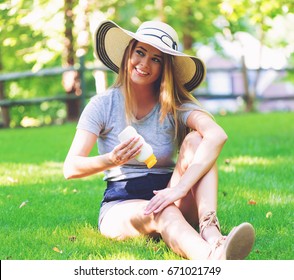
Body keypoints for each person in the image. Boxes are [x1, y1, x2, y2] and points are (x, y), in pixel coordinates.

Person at [63, 19, 255, 260]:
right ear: (128, 54)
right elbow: (70, 168)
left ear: (165, 67)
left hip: (170, 194)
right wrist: (111, 159)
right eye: (140, 53)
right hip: (121, 205)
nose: (144, 64)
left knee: (197, 141)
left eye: (156, 59)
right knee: (163, 213)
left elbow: (217, 135)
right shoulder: (103, 105)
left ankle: (213, 233)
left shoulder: (174, 106)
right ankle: (212, 259)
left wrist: (179, 189)